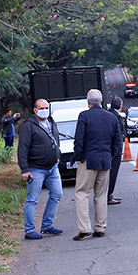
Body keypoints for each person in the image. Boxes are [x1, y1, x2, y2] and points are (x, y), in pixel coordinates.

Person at [73, 89, 122, 240]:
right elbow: (117, 141)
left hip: (88, 159)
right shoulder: (111, 117)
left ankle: (85, 227)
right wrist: (110, 155)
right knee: (101, 194)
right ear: (101, 101)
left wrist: (78, 157)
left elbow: (79, 139)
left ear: (88, 102)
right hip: (105, 159)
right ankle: (100, 227)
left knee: (81, 193)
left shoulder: (84, 116)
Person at [17, 99, 63, 239]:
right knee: (32, 199)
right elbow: (22, 149)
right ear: (35, 110)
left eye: (46, 107)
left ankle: (47, 225)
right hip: (35, 168)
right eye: (41, 108)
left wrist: (57, 155)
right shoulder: (29, 126)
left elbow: (56, 139)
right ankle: (29, 230)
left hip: (52, 167)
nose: (44, 110)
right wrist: (24, 169)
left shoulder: (50, 121)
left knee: (57, 194)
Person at [106, 97, 127, 205]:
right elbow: (119, 134)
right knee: (113, 172)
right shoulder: (117, 117)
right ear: (120, 106)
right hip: (114, 149)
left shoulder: (107, 114)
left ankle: (108, 194)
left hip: (106, 148)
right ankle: (108, 195)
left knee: (107, 173)